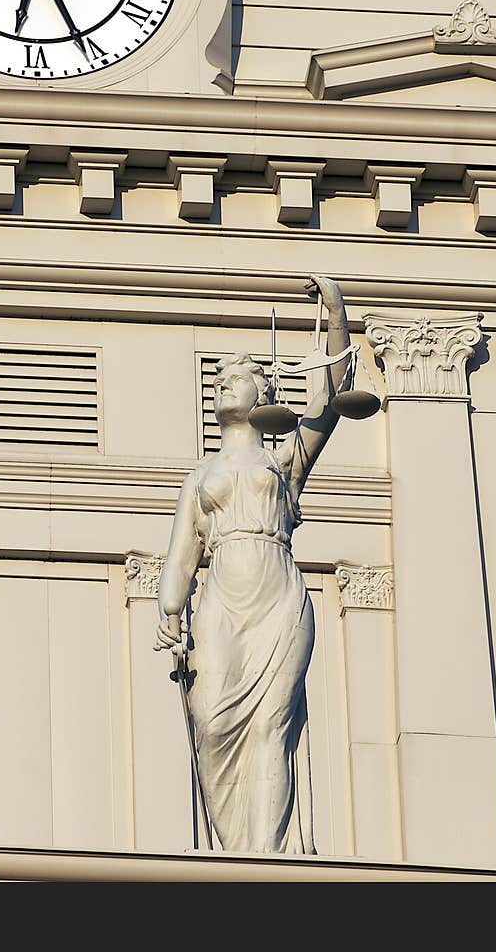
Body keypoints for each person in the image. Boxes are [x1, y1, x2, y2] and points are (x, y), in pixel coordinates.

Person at [154, 275, 351, 854]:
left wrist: (334, 313)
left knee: (271, 729)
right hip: (220, 599)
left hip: (277, 597)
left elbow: (333, 395)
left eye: (235, 377)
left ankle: (264, 857)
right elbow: (181, 555)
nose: (222, 383)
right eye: (217, 379)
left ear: (263, 393)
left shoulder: (284, 459)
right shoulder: (199, 477)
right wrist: (169, 607)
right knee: (212, 724)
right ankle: (235, 851)